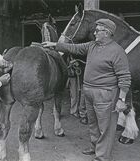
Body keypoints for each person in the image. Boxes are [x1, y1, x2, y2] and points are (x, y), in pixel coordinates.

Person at [42, 19, 131, 161]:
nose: (94, 32)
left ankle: (102, 157)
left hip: (105, 93)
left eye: (98, 30)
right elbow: (74, 48)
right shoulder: (92, 45)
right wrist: (54, 45)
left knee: (105, 127)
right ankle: (95, 146)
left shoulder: (117, 51)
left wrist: (121, 99)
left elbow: (125, 77)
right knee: (93, 123)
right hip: (89, 91)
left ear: (107, 33)